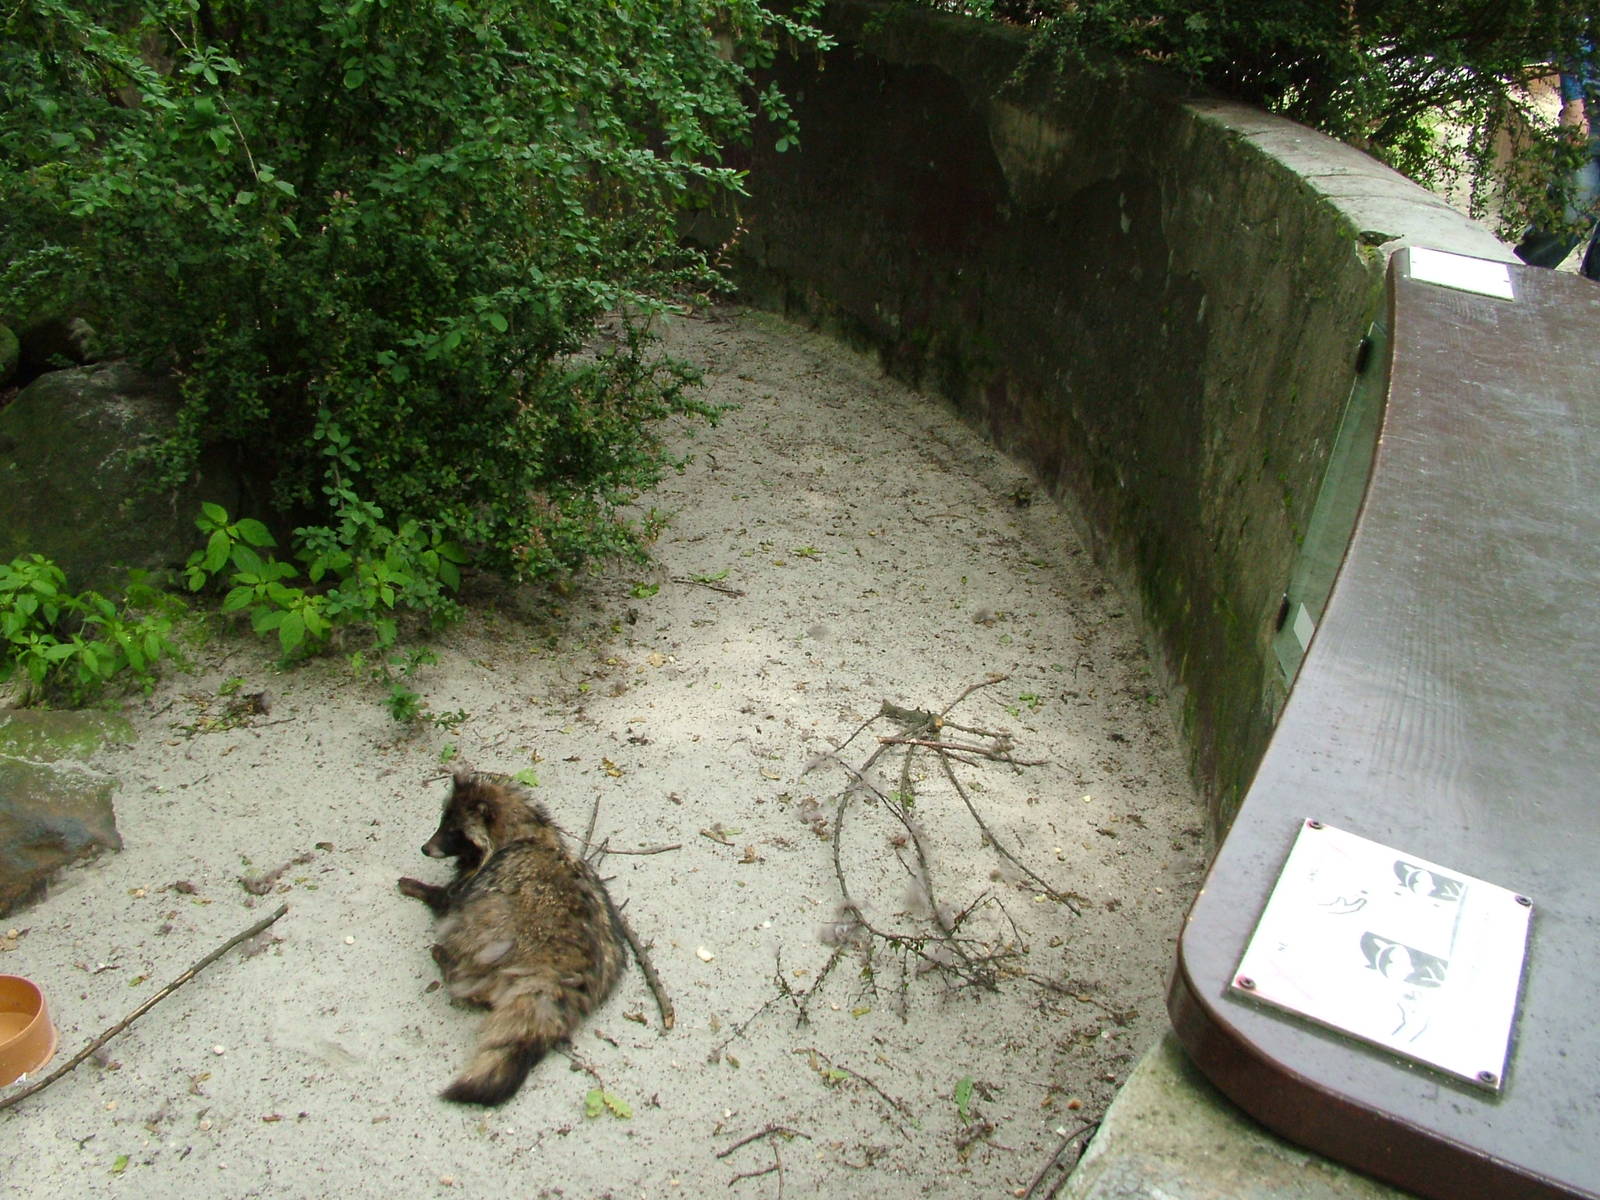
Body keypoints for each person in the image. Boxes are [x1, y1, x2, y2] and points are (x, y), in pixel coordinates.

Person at [1515, 41, 1600, 281]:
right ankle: (1522, 275)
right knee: (1570, 212)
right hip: (1589, 117)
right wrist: (1574, 104)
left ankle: (1590, 300)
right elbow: (1578, 41)